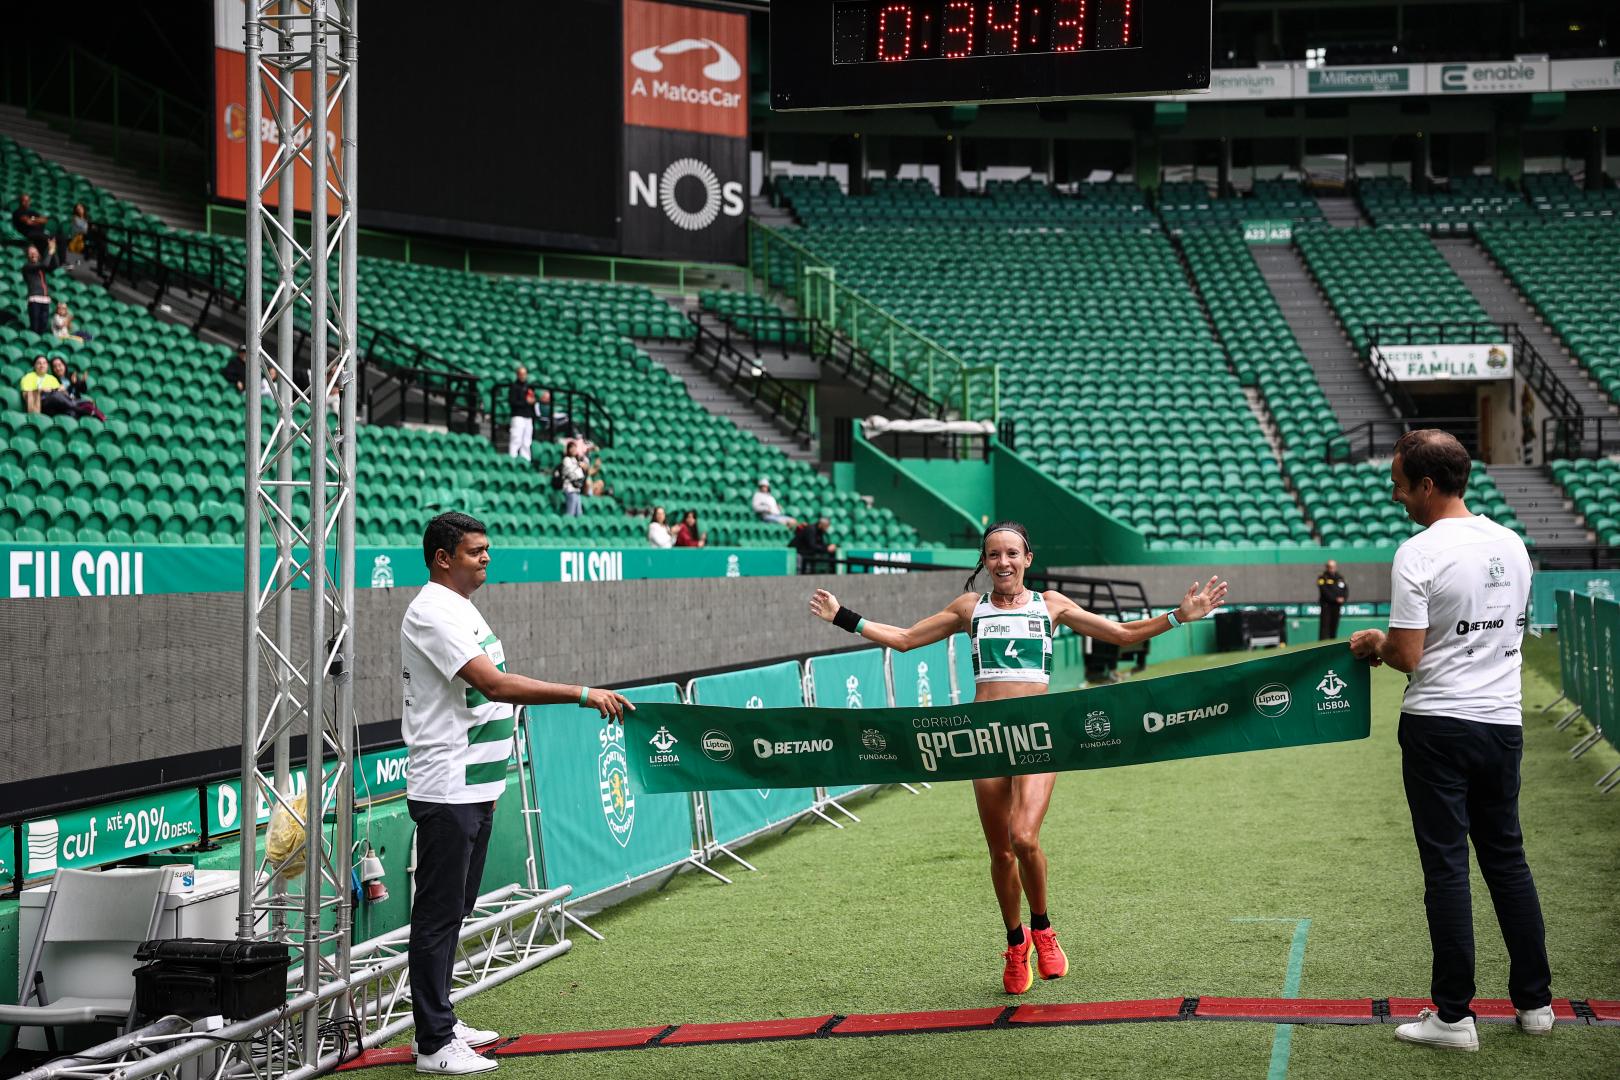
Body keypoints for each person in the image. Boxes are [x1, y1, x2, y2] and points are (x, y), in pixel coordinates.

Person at [810, 521, 1228, 994]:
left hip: (1036, 735)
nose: (1003, 562)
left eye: (1012, 553)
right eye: (993, 554)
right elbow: (905, 639)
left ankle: (1043, 928)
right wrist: (843, 616)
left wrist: (1179, 616)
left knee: (1024, 836)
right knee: (1001, 851)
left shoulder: (1051, 605)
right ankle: (1015, 942)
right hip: (984, 738)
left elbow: (1122, 633)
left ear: (1028, 558)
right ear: (984, 562)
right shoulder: (970, 608)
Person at [401, 512, 632, 1075]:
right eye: (474, 551)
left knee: (456, 910)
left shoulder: (461, 606)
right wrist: (581, 693)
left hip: (475, 785)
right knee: (437, 917)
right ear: (442, 558)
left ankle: (441, 1019)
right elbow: (494, 684)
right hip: (448, 785)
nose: (486, 557)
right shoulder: (431, 611)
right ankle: (433, 1042)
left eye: (487, 549)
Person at [1349, 429, 1552, 1053]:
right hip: (1503, 722)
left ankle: (1454, 1017)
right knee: (1507, 859)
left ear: (1428, 485)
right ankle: (1536, 1004)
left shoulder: (1418, 552)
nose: (1395, 496)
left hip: (1439, 723)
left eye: (1400, 485)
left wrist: (1374, 644)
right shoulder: (1512, 543)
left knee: (1446, 867)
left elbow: (1408, 655)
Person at [22, 241, 61, 336]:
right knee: (35, 326)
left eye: (35, 252)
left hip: (45, 299)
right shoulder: (27, 266)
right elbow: (45, 264)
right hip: (34, 299)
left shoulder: (40, 266)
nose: (33, 255)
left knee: (43, 325)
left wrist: (54, 251)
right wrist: (50, 251)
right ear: (27, 256)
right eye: (31, 253)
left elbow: (55, 265)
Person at [50, 356, 104, 421]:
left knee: (89, 405)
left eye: (59, 365)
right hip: (66, 405)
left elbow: (83, 390)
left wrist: (82, 382)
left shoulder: (71, 375)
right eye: (55, 366)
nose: (58, 368)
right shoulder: (52, 380)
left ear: (64, 365)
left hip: (77, 402)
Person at [507, 366, 536, 462]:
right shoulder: (514, 387)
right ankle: (512, 459)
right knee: (516, 438)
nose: (523, 376)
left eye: (524, 374)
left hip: (528, 416)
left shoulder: (529, 387)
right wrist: (526, 402)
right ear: (517, 375)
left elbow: (531, 400)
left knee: (527, 440)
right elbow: (512, 402)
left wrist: (532, 401)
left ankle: (526, 460)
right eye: (521, 374)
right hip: (518, 416)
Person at [1316, 559, 1348, 640]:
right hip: (1326, 606)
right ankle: (1322, 644)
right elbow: (1324, 591)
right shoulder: (1322, 577)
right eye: (1330, 567)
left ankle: (1333, 642)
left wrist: (1343, 598)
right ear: (1327, 567)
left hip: (1337, 606)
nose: (1332, 569)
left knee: (1334, 625)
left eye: (1333, 567)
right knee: (1325, 626)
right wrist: (1335, 598)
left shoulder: (1340, 577)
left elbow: (1345, 589)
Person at [559, 440, 586, 516]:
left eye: (575, 448)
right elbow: (571, 474)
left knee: (579, 513)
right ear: (568, 449)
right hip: (570, 489)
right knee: (570, 512)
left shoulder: (576, 460)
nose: (574, 450)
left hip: (577, 489)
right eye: (572, 448)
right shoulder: (566, 460)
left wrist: (582, 468)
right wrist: (578, 467)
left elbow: (581, 475)